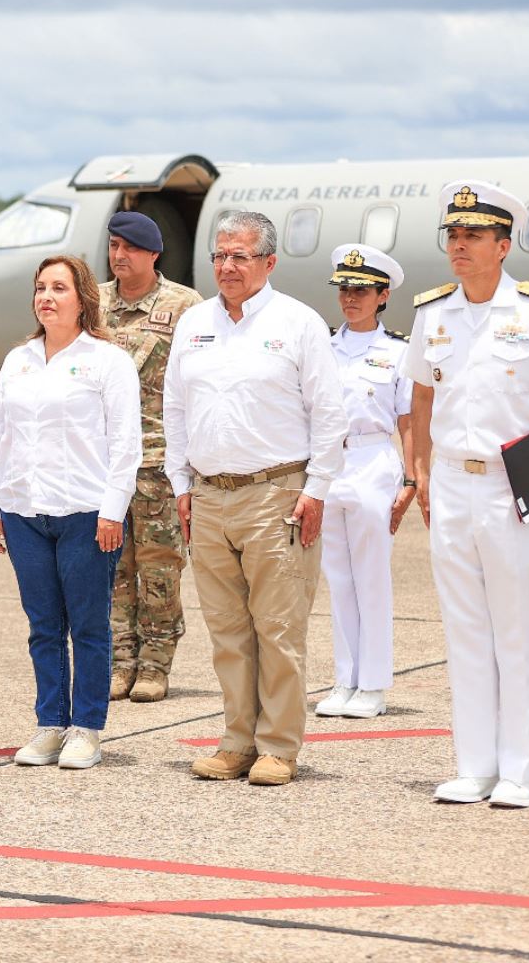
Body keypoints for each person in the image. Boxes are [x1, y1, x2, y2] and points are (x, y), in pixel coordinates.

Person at [407, 181, 529, 808]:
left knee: (514, 630)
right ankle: (473, 766)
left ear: (503, 245)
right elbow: (422, 396)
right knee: (463, 628)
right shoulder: (432, 313)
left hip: (517, 485)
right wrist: (419, 470)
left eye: (473, 236)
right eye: (453, 236)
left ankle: (518, 772)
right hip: (453, 484)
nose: (459, 245)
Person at [163, 209, 344, 787]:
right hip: (209, 497)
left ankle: (279, 746)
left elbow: (330, 413)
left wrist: (315, 491)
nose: (227, 266)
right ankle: (237, 739)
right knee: (227, 630)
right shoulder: (193, 323)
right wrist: (180, 484)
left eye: (240, 256)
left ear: (268, 262)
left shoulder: (299, 323)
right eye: (220, 255)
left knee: (279, 627)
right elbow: (174, 410)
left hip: (277, 495)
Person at [0, 255, 139, 770]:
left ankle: (87, 729)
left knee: (88, 625)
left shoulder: (107, 361)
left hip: (86, 513)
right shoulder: (19, 360)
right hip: (24, 510)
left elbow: (126, 445)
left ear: (83, 298)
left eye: (59, 288)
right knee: (43, 625)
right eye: (40, 288)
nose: (47, 297)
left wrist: (113, 510)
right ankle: (50, 724)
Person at [98, 209, 202, 703]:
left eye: (130, 248)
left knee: (160, 567)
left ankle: (156, 663)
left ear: (153, 255)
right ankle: (121, 661)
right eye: (114, 246)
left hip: (159, 460)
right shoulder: (92, 302)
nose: (119, 256)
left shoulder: (185, 306)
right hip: (104, 460)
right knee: (111, 565)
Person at [316, 243, 417, 720]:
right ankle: (344, 678)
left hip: (375, 461)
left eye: (361, 290)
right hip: (332, 465)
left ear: (382, 295)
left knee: (371, 576)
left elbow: (409, 421)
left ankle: (373, 684)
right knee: (337, 578)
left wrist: (413, 478)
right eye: (344, 289)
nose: (350, 298)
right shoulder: (322, 348)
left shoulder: (397, 351)